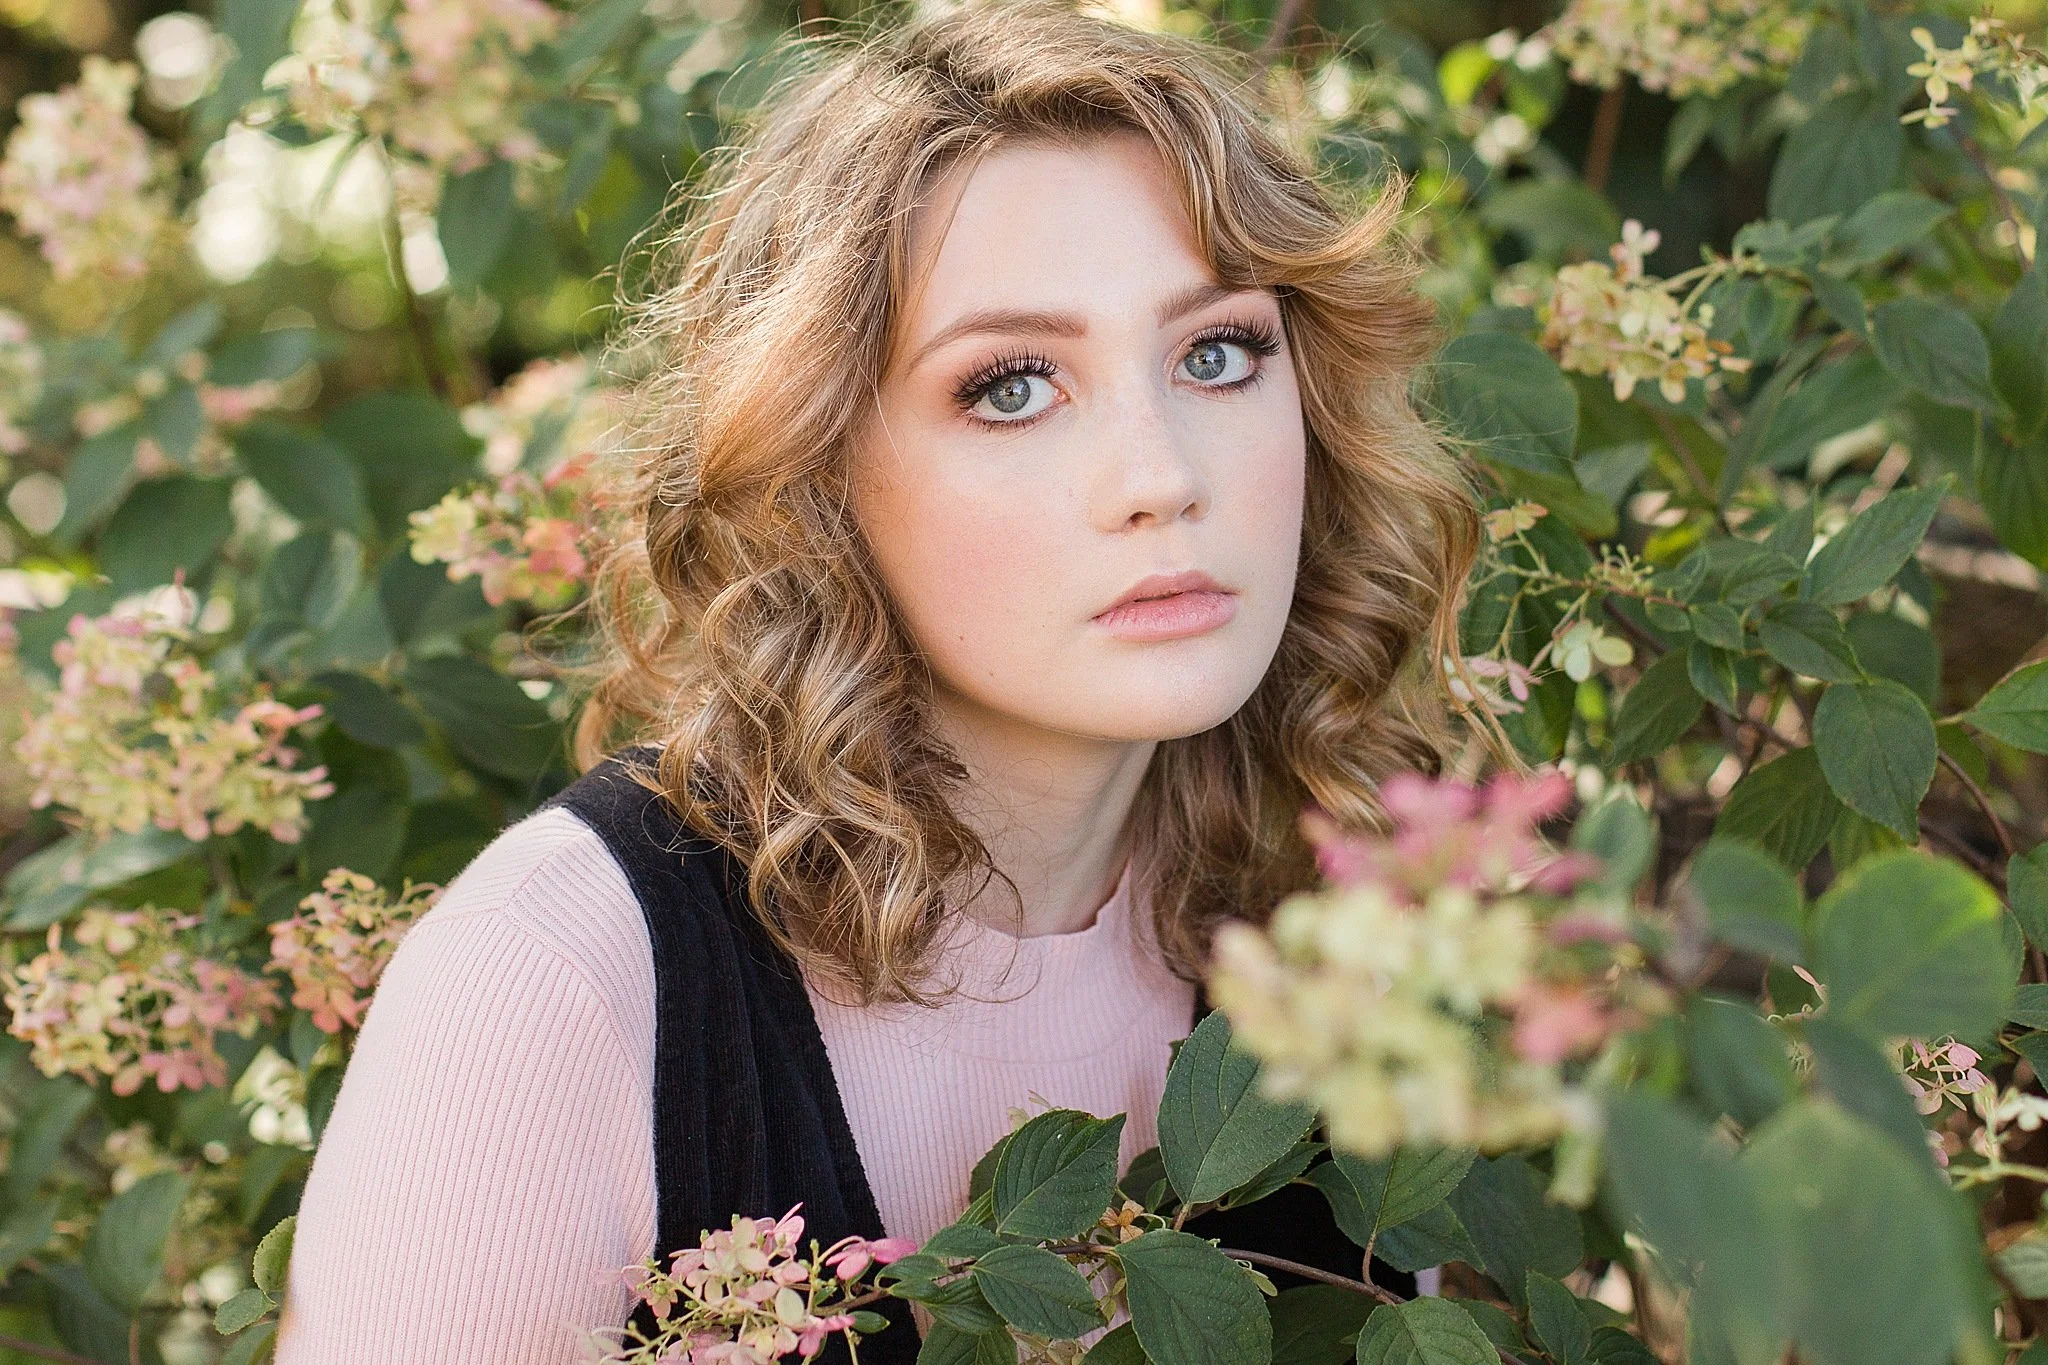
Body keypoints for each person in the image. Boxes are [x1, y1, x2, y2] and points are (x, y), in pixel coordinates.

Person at [272, 1, 1478, 1360]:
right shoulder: (557, 982)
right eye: (1013, 386)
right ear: (818, 465)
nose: (1163, 477)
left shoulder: (1348, 922)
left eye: (1217, 354)